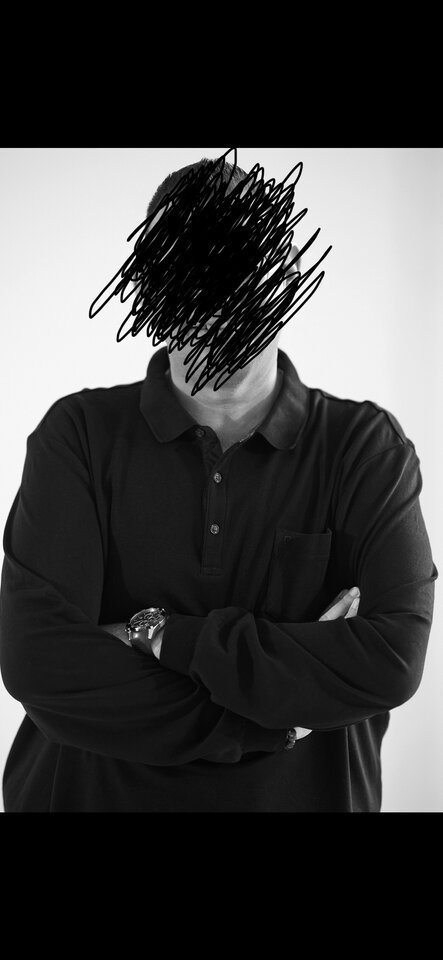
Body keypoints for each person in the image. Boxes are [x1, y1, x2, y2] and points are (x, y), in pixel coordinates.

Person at [0, 157, 438, 812]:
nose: (215, 310)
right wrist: (272, 720)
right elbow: (42, 664)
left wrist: (158, 635)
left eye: (239, 275)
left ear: (285, 277)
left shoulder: (363, 449)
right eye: (186, 277)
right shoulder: (78, 437)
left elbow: (389, 661)